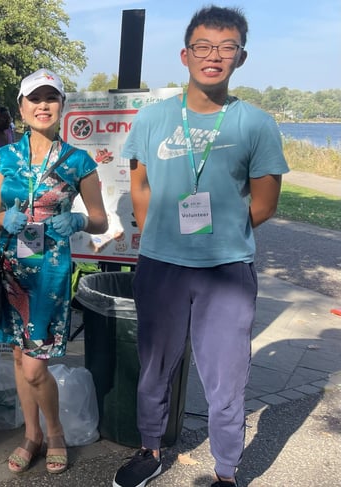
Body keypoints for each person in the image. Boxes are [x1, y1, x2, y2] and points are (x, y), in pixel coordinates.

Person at [112, 6, 289, 487]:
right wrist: (159, 233)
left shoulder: (256, 123)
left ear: (241, 57)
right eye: (204, 46)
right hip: (161, 266)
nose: (214, 56)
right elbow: (140, 185)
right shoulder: (153, 119)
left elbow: (265, 202)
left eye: (227, 47)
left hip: (226, 271)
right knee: (154, 368)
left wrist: (217, 235)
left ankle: (226, 472)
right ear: (185, 55)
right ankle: (150, 450)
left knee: (226, 380)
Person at [0, 69, 108, 475]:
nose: (42, 106)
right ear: (21, 108)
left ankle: (55, 433)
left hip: (50, 274)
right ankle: (31, 434)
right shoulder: (4, 158)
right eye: (34, 99)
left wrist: (78, 221)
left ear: (61, 107)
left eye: (50, 98)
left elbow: (101, 221)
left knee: (36, 366)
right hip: (11, 270)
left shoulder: (79, 161)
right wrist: (4, 218)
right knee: (19, 357)